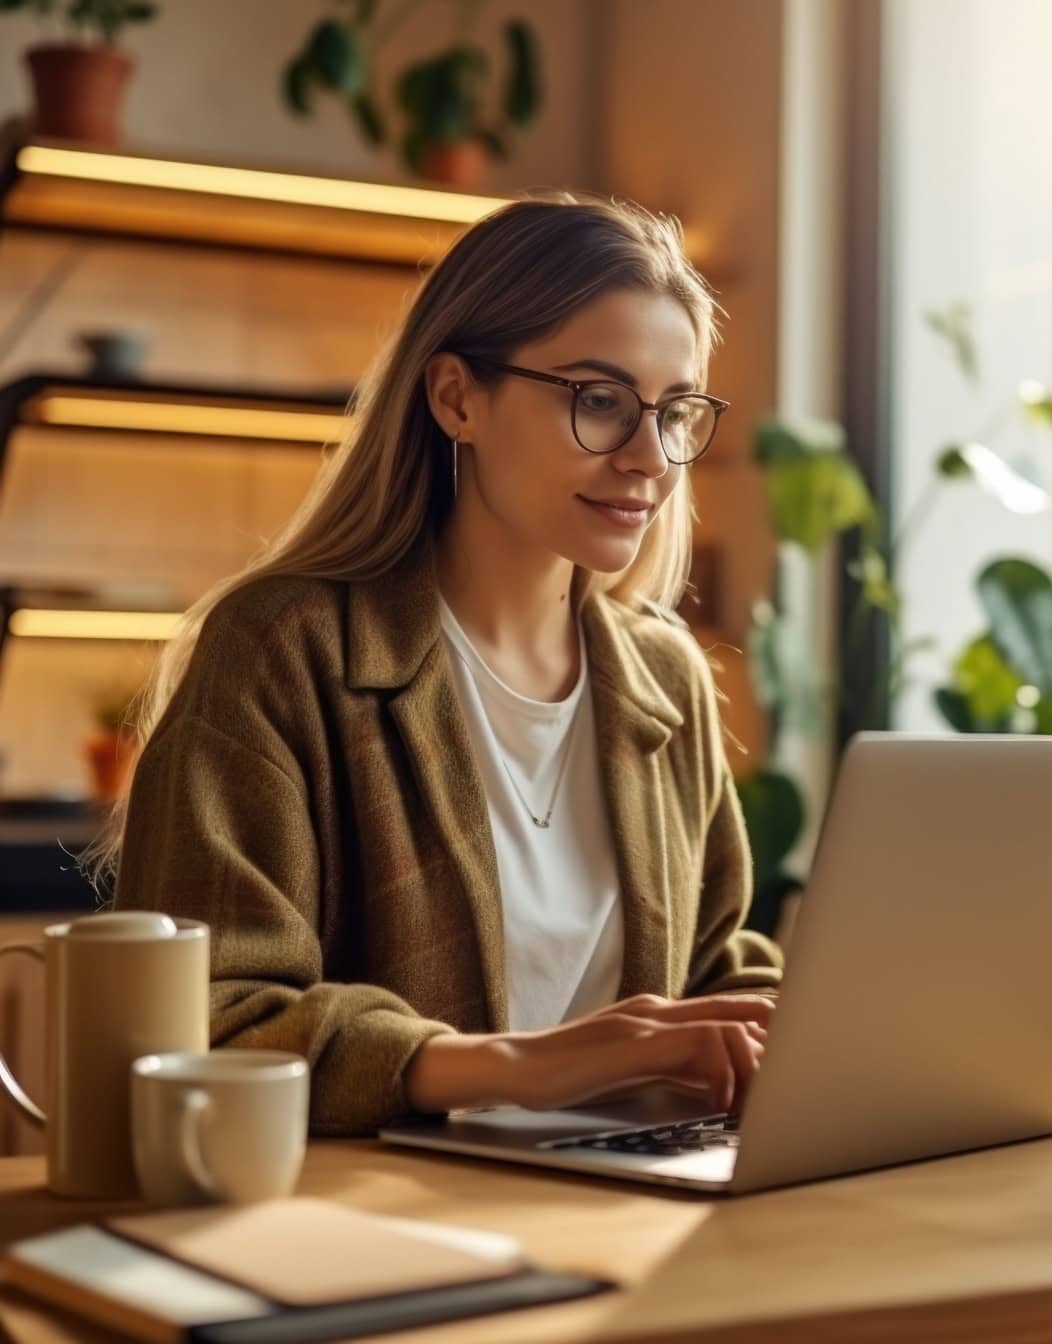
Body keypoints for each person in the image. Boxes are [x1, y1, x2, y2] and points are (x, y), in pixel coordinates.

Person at [99, 195, 783, 1136]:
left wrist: (828, 1031)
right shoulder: (284, 651)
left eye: (675, 413)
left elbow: (711, 978)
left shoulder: (664, 680)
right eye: (599, 401)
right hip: (378, 1230)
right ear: (457, 397)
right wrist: (519, 1067)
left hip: (631, 1213)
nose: (650, 459)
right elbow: (208, 1020)